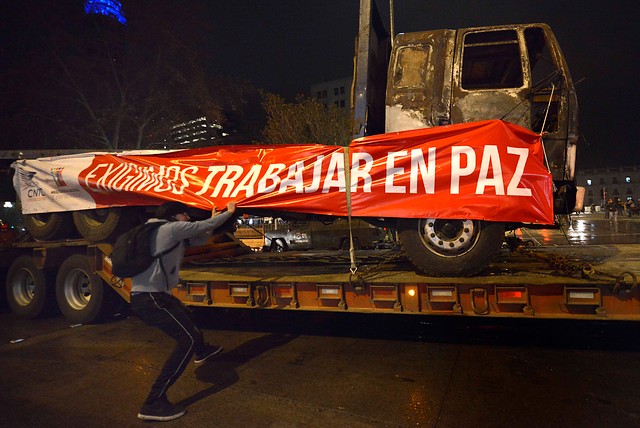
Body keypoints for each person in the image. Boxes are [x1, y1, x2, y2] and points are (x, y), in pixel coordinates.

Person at [130, 200, 236, 422]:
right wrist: (228, 213)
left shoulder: (158, 231)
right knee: (187, 339)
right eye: (185, 215)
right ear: (174, 216)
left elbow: (198, 238)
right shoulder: (169, 229)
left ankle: (202, 350)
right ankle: (152, 402)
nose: (188, 218)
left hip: (154, 296)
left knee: (186, 315)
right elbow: (198, 228)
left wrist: (211, 223)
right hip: (151, 298)